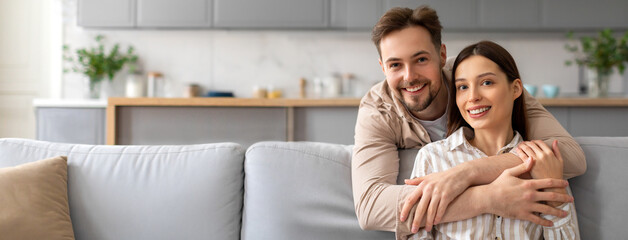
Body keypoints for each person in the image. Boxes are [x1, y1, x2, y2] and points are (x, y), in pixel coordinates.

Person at [351, 6, 586, 239]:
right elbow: (371, 207)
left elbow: (569, 155)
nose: (410, 76)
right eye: (395, 65)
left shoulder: (474, 72)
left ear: (442, 55)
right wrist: (488, 198)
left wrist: (467, 173)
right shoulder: (378, 110)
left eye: (421, 59)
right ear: (382, 67)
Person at [408, 40, 579, 239]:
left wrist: (555, 196)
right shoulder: (434, 158)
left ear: (515, 89)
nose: (472, 97)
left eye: (486, 83)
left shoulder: (543, 161)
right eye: (462, 87)